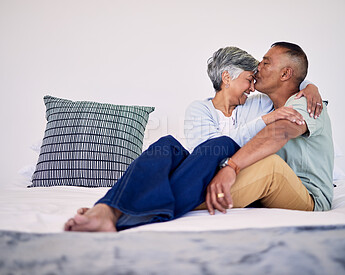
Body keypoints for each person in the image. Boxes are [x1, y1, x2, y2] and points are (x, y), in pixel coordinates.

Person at [64, 46, 322, 232]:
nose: (253, 86)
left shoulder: (260, 103)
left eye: (256, 78)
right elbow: (203, 151)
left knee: (220, 144)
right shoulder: (200, 108)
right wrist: (263, 122)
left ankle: (116, 214)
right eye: (249, 79)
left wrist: (312, 87)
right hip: (203, 169)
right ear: (227, 77)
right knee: (166, 145)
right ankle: (106, 207)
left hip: (235, 171)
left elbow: (290, 79)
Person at [201, 42, 334, 215]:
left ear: (285, 73)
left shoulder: (307, 104)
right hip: (276, 188)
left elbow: (281, 132)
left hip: (310, 197)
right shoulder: (266, 106)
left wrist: (231, 167)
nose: (258, 67)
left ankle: (177, 202)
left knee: (271, 166)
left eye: (266, 63)